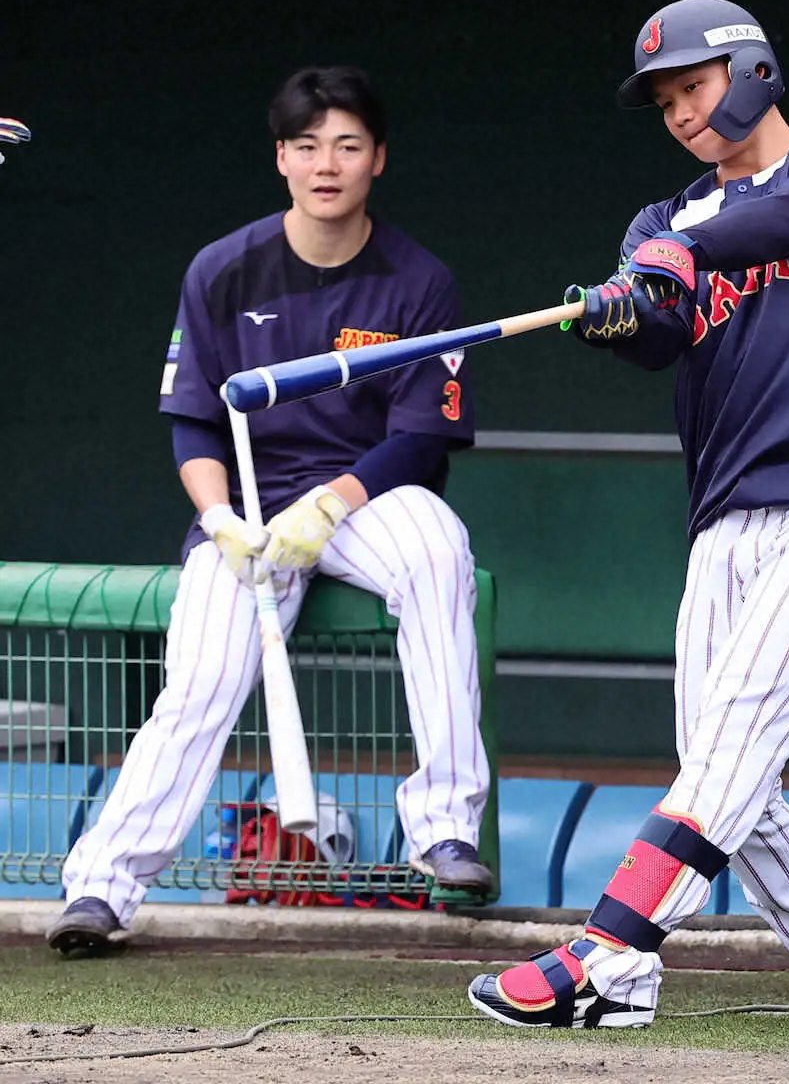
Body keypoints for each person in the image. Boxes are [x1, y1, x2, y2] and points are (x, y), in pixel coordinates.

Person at [468, 0, 789, 1028]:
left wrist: (689, 249)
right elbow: (659, 330)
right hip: (725, 522)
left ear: (753, 70)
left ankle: (607, 954)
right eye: (665, 101)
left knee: (729, 752)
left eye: (695, 85)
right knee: (730, 770)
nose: (680, 112)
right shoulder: (657, 224)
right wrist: (618, 312)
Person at [48, 66, 493, 956]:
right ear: (281, 159)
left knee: (440, 550)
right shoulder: (223, 269)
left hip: (368, 498)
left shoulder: (416, 280)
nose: (326, 162)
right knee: (202, 680)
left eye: (347, 144)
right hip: (249, 508)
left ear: (378, 160)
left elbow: (419, 440)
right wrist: (219, 519)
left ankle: (444, 829)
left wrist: (328, 506)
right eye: (306, 145)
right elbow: (194, 426)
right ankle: (101, 889)